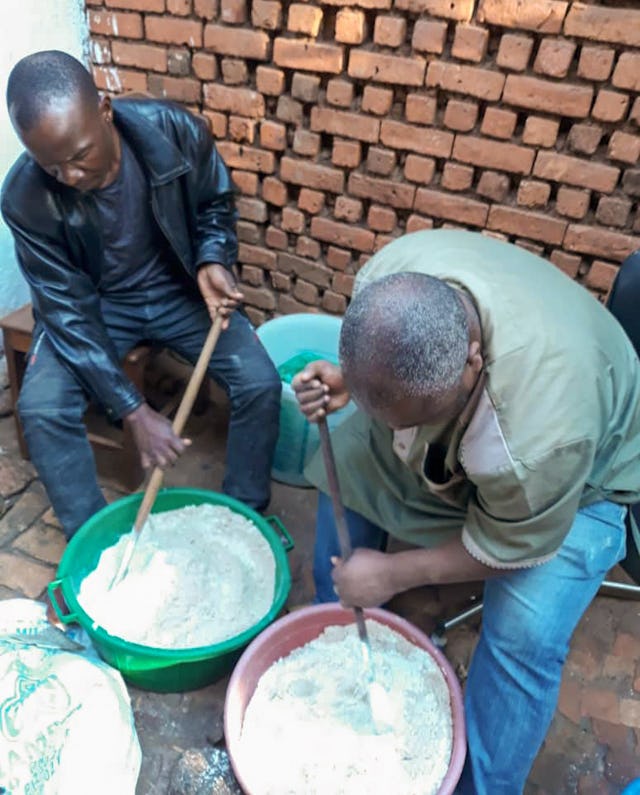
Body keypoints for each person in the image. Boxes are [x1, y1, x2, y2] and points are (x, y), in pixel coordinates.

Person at [294, 229, 640, 794]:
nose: (397, 432)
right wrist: (350, 388)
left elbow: (510, 549)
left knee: (524, 636)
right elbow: (389, 380)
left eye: (408, 417)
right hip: (473, 416)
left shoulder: (540, 438)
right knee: (355, 456)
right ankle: (334, 631)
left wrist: (393, 573)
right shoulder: (390, 277)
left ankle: (479, 785)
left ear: (472, 363)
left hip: (587, 481)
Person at [1, 50, 281, 539]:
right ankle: (92, 544)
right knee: (42, 407)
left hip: (179, 292)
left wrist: (212, 259)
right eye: (51, 166)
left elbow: (215, 205)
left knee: (259, 381)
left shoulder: (174, 132)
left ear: (105, 110)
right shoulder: (24, 197)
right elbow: (65, 311)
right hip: (95, 309)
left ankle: (245, 518)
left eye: (79, 155)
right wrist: (133, 410)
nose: (69, 176)